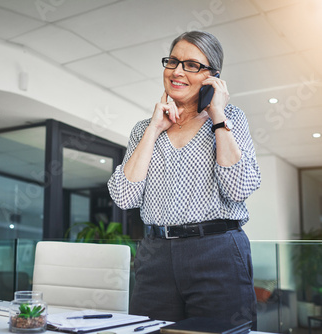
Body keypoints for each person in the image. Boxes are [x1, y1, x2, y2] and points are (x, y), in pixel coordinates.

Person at [107, 31, 261, 327]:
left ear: (212, 76)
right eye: (173, 61)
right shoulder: (143, 129)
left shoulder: (231, 118)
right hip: (155, 255)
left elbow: (239, 188)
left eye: (191, 65)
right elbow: (124, 197)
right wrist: (154, 129)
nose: (177, 71)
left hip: (217, 251)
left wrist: (217, 115)